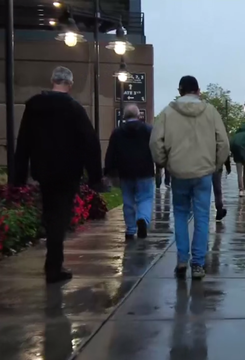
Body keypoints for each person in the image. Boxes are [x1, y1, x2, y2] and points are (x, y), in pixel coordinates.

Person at [14, 66, 103, 283]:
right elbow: (90, 143)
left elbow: (23, 141)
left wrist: (18, 175)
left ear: (52, 80)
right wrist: (95, 176)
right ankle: (53, 266)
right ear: (70, 85)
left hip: (43, 170)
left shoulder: (33, 106)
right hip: (67, 172)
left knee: (51, 213)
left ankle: (53, 262)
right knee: (59, 218)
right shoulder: (74, 109)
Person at [150, 75, 230, 279]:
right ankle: (198, 263)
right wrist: (215, 165)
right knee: (202, 216)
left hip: (178, 172)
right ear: (198, 90)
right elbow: (223, 143)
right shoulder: (211, 112)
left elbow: (155, 143)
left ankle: (182, 259)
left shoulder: (167, 113)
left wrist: (165, 163)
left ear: (180, 91)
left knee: (180, 214)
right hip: (203, 172)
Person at [104, 104, 155, 240]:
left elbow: (111, 153)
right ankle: (143, 218)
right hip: (145, 171)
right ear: (139, 115)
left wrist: (108, 171)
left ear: (124, 117)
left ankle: (130, 229)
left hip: (125, 171)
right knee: (145, 197)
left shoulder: (117, 132)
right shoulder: (148, 130)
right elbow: (155, 148)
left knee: (128, 201)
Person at [212, 156, 232, 222]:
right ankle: (219, 209)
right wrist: (227, 164)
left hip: (204, 165)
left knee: (203, 189)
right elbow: (224, 148)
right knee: (217, 188)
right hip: (216, 164)